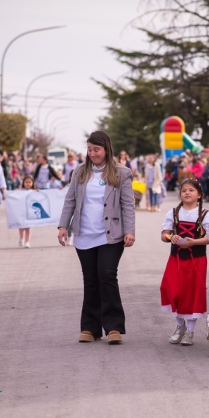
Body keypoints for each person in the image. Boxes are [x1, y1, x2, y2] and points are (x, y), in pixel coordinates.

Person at [58, 131, 136, 345]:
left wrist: (130, 230)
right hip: (84, 234)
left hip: (111, 235)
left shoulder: (122, 173)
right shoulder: (80, 172)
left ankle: (113, 327)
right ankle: (90, 328)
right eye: (90, 149)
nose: (92, 153)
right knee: (90, 280)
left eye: (97, 149)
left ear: (106, 149)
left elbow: (128, 204)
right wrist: (63, 225)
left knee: (107, 276)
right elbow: (70, 201)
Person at [160, 178, 209, 346]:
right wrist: (171, 237)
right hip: (176, 258)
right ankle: (179, 326)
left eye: (191, 190)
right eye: (184, 190)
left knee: (192, 293)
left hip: (196, 259)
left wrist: (193, 242)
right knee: (172, 289)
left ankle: (190, 331)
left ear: (199, 195)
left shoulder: (205, 214)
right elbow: (164, 234)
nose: (187, 193)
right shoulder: (173, 212)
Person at [18, 175, 36, 248]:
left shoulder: (34, 191)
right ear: (23, 183)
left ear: (32, 183)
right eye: (26, 182)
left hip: (30, 212)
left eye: (29, 182)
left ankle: (27, 241)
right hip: (22, 212)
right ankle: (21, 238)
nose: (28, 184)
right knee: (21, 226)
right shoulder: (20, 192)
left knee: (28, 227)